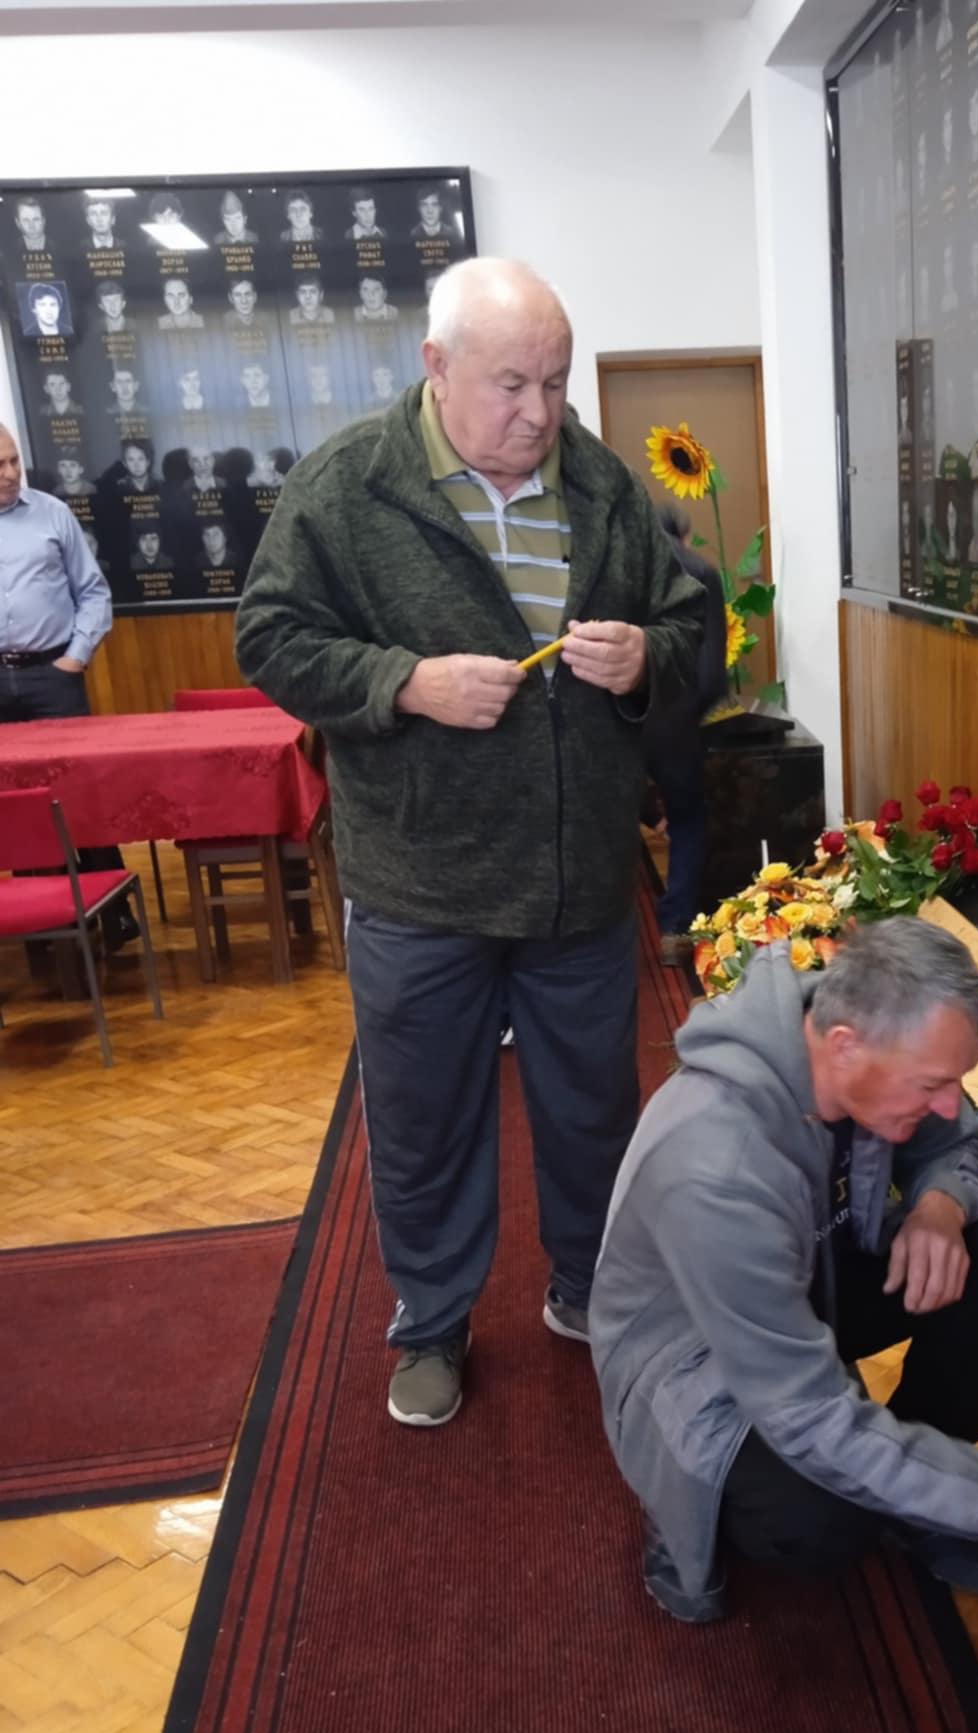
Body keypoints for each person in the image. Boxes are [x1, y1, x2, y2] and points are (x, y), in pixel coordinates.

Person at [234, 257, 704, 1426]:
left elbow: (691, 623)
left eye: (556, 381)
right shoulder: (348, 484)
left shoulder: (601, 484)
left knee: (593, 1111)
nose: (540, 413)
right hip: (421, 885)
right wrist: (404, 682)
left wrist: (646, 658)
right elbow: (270, 637)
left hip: (577, 881)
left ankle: (589, 1285)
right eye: (511, 384)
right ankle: (432, 1322)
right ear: (436, 366)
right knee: (425, 1119)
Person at [588, 920, 978, 1624]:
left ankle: (919, 1492)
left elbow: (957, 1139)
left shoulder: (863, 1040)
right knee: (824, 1517)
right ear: (845, 1047)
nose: (949, 1104)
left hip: (811, 1288)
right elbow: (806, 1414)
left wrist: (939, 1209)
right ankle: (683, 1509)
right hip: (696, 1364)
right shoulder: (717, 1166)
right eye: (934, 1085)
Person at [0, 423, 135, 944]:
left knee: (80, 792)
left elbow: (93, 592)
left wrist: (75, 659)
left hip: (52, 674)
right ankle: (42, 921)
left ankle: (115, 912)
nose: (10, 473)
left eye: (14, 460)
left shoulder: (52, 514)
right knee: (14, 801)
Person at [649, 501, 728, 967]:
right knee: (687, 819)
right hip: (675, 722)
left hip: (613, 720)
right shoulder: (701, 571)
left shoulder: (615, 566)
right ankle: (675, 929)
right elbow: (711, 674)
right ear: (683, 534)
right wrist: (687, 718)